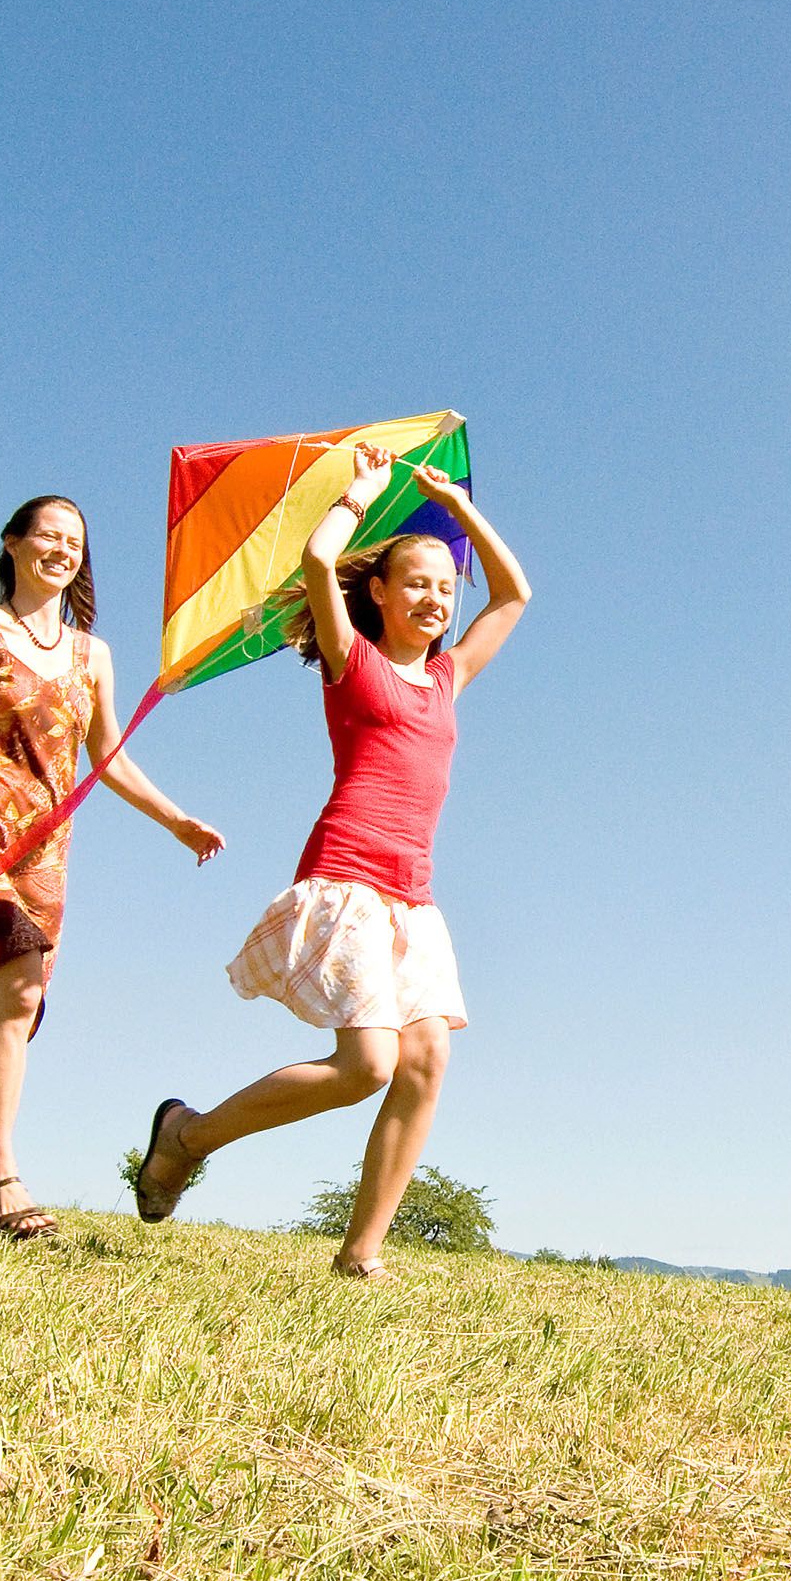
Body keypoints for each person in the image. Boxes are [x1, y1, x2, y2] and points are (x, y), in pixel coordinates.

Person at [130, 447, 529, 1277]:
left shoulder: (448, 678)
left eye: (444, 588)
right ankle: (187, 1136)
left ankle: (360, 1255)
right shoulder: (356, 666)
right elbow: (319, 558)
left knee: (425, 1062)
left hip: (414, 902)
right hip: (348, 878)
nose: (435, 598)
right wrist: (358, 495)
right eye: (417, 582)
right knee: (367, 1066)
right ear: (378, 593)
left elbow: (515, 594)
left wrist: (456, 509)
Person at [0, 497, 224, 1238]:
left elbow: (108, 759)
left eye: (75, 541)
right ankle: (2, 1187)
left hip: (44, 852)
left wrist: (175, 818)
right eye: (48, 535)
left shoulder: (94, 654)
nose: (61, 549)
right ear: (14, 544)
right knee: (14, 995)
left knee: (2, 1018)